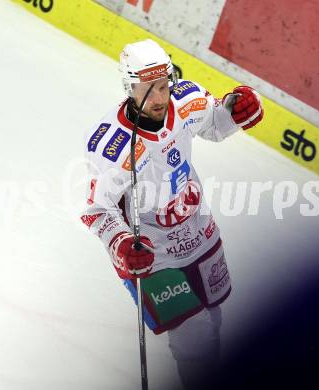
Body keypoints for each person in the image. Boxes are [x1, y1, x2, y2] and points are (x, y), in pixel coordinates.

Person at [81, 39, 263, 389]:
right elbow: (98, 209)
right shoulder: (111, 145)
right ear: (129, 88)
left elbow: (215, 122)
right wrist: (121, 243)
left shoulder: (186, 100)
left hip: (196, 230)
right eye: (147, 90)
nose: (159, 98)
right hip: (150, 253)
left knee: (211, 317)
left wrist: (239, 108)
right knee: (193, 333)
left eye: (163, 87)